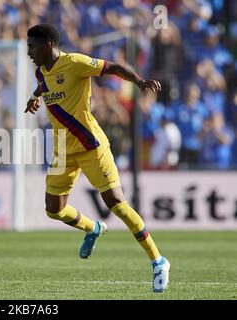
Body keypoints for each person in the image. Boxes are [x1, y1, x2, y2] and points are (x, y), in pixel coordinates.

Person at [25, 24, 170, 293]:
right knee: (53, 209)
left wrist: (139, 82)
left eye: (32, 47)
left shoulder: (75, 62)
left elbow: (112, 67)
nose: (29, 53)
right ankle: (93, 228)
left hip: (91, 145)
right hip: (63, 151)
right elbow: (43, 86)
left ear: (47, 45)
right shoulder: (40, 72)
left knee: (117, 203)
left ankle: (158, 260)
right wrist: (35, 99)